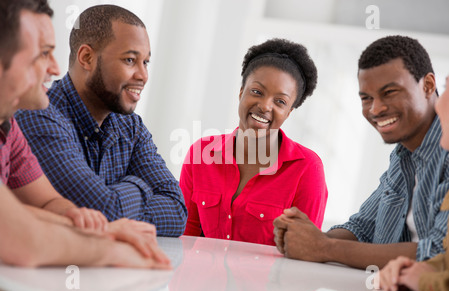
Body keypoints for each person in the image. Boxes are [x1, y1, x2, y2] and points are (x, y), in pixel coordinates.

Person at [0, 0, 170, 272]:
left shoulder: (9, 128)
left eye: (145, 61)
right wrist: (110, 247)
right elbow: (22, 241)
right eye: (43, 54)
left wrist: (102, 228)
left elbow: (45, 205)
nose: (55, 68)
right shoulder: (37, 116)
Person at [273, 35, 449, 269]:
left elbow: (440, 255)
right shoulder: (403, 155)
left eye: (389, 92)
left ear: (428, 85)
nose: (376, 109)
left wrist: (323, 247)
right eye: (366, 98)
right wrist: (305, 238)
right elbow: (362, 228)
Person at [180, 38, 328, 246]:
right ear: (241, 93)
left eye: (280, 102)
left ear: (289, 112)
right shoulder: (201, 153)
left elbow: (303, 253)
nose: (265, 106)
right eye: (257, 92)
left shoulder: (306, 168)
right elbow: (186, 238)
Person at [379, 76, 449, 291]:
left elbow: (436, 249)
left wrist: (423, 279)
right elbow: (444, 260)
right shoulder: (401, 155)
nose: (440, 103)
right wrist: (407, 268)